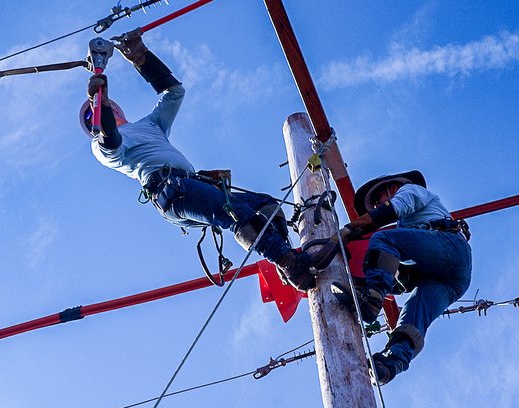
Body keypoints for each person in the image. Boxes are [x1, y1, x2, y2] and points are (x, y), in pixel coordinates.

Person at [80, 29, 337, 291]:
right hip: (172, 192)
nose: (103, 108)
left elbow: (174, 93)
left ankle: (288, 260)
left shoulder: (151, 125)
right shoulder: (101, 145)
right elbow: (109, 139)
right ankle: (289, 263)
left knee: (266, 206)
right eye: (95, 112)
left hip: (191, 185)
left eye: (104, 104)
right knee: (236, 212)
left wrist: (142, 58)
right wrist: (95, 101)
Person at [333, 170, 472, 384]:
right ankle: (390, 364)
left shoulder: (410, 191)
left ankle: (372, 300)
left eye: (378, 200)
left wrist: (352, 229)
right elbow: (401, 277)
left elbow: (391, 211)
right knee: (413, 313)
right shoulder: (410, 226)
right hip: (450, 278)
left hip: (450, 246)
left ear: (393, 189)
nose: (377, 206)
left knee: (384, 239)